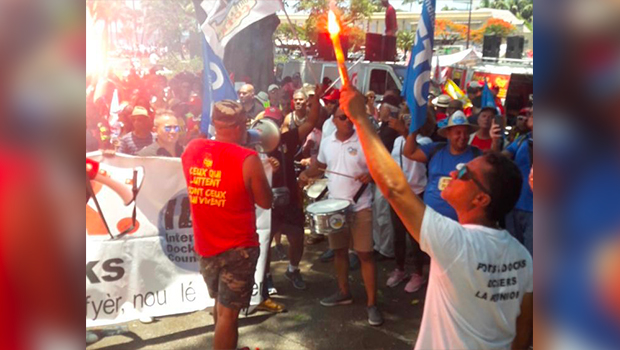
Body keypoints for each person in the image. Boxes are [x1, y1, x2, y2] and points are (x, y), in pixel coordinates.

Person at [339, 85, 533, 350]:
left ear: (481, 199)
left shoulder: (455, 243)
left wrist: (361, 119)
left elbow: (395, 189)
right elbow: (522, 332)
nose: (454, 173)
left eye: (464, 173)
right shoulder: (523, 258)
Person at [181, 100, 272, 350]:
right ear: (241, 124)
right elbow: (266, 201)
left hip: (206, 246)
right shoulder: (248, 158)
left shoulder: (192, 149)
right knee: (229, 315)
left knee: (221, 307)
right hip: (238, 249)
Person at [300, 107, 384, 327]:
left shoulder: (365, 140)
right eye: (342, 117)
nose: (348, 120)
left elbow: (381, 169)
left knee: (365, 255)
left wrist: (371, 175)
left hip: (360, 206)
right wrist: (306, 174)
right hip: (335, 207)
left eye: (351, 116)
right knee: (339, 252)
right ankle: (344, 292)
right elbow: (321, 166)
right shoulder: (327, 142)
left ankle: (372, 304)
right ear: (333, 120)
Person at [258, 85, 321, 312]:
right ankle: (265, 278)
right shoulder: (253, 147)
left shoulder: (288, 139)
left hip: (291, 200)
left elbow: (312, 121)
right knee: (264, 242)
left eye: (275, 124)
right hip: (266, 203)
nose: (270, 130)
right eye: (266, 125)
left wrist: (317, 98)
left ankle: (293, 270)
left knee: (296, 238)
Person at [403, 110, 483, 222]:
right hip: (431, 219)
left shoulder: (477, 155)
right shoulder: (435, 149)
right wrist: (414, 129)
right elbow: (409, 152)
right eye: (458, 132)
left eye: (466, 133)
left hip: (461, 224)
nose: (463, 136)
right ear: (448, 134)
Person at [387, 111, 433, 293]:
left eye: (411, 120)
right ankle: (400, 269)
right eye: (404, 118)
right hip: (399, 194)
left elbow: (414, 150)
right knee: (398, 235)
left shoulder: (426, 142)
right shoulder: (398, 141)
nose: (406, 122)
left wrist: (406, 133)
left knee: (416, 238)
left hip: (417, 194)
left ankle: (418, 274)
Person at [491, 107, 533, 255]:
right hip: (515, 206)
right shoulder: (523, 139)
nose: (529, 116)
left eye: (532, 113)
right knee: (513, 254)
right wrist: (495, 142)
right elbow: (499, 159)